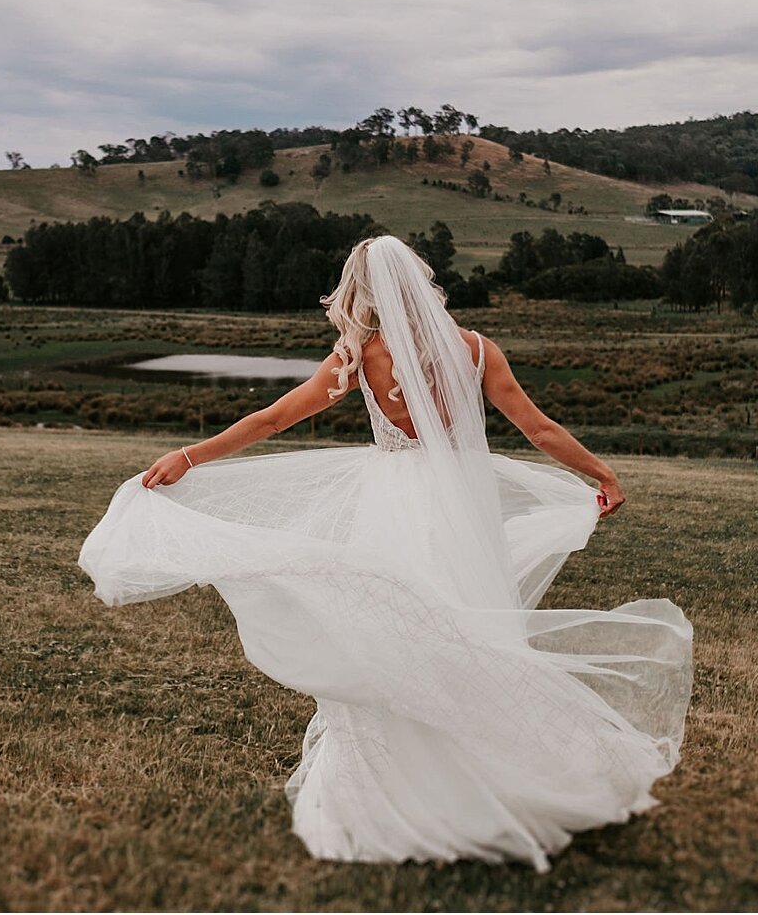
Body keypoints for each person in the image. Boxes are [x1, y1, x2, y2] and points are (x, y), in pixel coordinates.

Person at [78, 234, 692, 872]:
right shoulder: (475, 350)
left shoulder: (359, 353)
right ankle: (488, 780)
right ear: (421, 283)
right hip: (460, 508)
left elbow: (272, 419)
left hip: (393, 505)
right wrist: (603, 474)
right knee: (463, 634)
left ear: (367, 289)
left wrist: (188, 456)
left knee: (387, 636)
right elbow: (537, 427)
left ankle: (401, 790)